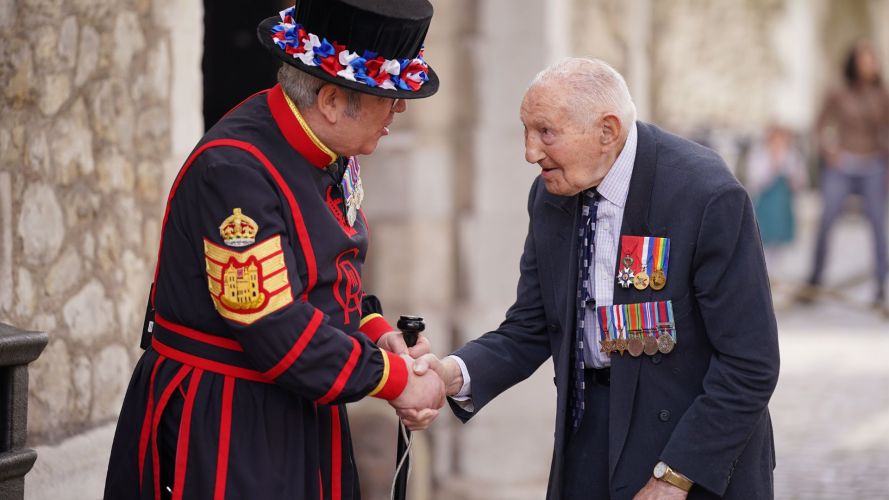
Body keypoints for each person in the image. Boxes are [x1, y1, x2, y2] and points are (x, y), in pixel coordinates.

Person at [104, 1, 445, 498]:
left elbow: (331, 271)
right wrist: (396, 380)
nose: (400, 111)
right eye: (387, 97)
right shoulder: (236, 171)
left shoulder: (328, 144)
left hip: (295, 404)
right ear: (330, 100)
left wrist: (375, 334)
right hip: (225, 422)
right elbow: (275, 328)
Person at [408, 58, 780, 499]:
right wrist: (448, 374)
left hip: (692, 444)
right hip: (589, 438)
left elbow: (750, 364)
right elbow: (530, 326)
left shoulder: (706, 195)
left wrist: (675, 475)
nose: (530, 152)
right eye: (526, 131)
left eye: (546, 132)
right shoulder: (551, 193)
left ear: (607, 131)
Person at [804, 40, 889, 306]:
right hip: (843, 165)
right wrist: (829, 151)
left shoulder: (881, 95)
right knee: (827, 220)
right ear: (854, 63)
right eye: (865, 60)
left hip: (873, 165)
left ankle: (880, 285)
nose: (870, 65)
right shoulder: (838, 92)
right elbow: (819, 125)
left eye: (872, 60)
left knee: (877, 225)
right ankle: (815, 279)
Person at [746, 124, 807, 274]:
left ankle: (775, 275)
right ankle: (762, 274)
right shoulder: (759, 155)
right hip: (765, 207)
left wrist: (792, 175)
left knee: (778, 247)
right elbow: (755, 182)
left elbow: (800, 182)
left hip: (782, 207)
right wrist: (773, 166)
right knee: (762, 243)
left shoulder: (792, 156)